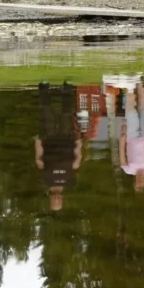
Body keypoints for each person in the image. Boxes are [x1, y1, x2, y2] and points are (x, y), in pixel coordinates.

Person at [34, 82, 84, 211]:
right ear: (62, 199)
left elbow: (39, 160)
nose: (56, 199)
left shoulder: (45, 181)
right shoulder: (69, 181)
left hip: (49, 140)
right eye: (58, 202)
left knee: (47, 113)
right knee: (67, 113)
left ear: (50, 200)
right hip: (67, 140)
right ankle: (67, 88)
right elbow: (76, 162)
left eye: (54, 202)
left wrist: (38, 142)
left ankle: (44, 87)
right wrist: (79, 143)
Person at [118, 78, 144, 192]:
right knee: (143, 107)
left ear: (135, 182)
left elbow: (121, 152)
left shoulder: (127, 169)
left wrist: (122, 137)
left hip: (131, 136)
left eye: (137, 183)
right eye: (142, 183)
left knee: (130, 110)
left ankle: (130, 86)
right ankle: (139, 82)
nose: (140, 181)